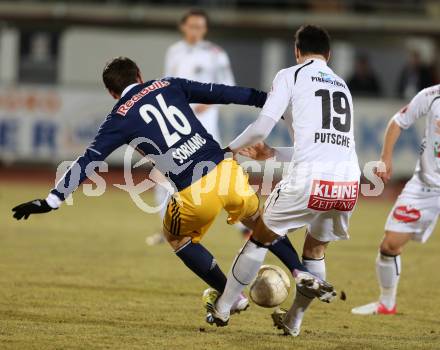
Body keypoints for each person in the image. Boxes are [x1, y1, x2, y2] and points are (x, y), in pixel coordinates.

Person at [11, 57, 320, 316]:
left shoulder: (118, 117)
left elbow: (88, 160)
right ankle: (299, 270)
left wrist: (52, 199)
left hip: (192, 190)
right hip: (226, 170)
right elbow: (223, 92)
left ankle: (231, 297)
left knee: (177, 238)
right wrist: (271, 102)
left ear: (111, 91)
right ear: (140, 76)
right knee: (260, 222)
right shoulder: (168, 84)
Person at [205, 25, 361, 337]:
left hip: (309, 180)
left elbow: (261, 126)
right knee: (315, 252)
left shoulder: (291, 74)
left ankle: (222, 309)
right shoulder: (342, 85)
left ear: (297, 51)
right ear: (328, 55)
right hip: (348, 183)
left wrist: (226, 150)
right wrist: (273, 153)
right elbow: (328, 145)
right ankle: (293, 321)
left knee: (260, 236)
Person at [148, 9, 242, 245]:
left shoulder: (215, 54)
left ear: (205, 30)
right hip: (179, 125)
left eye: (200, 27)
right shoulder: (174, 52)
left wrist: (205, 104)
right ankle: (168, 228)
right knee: (163, 173)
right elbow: (166, 85)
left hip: (205, 126)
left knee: (219, 177)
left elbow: (228, 86)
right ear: (183, 27)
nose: (195, 31)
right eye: (191, 26)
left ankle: (243, 224)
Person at [351, 84, 440, 316]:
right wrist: (385, 158)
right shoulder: (431, 96)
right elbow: (398, 121)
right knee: (389, 245)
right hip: (425, 187)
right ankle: (387, 304)